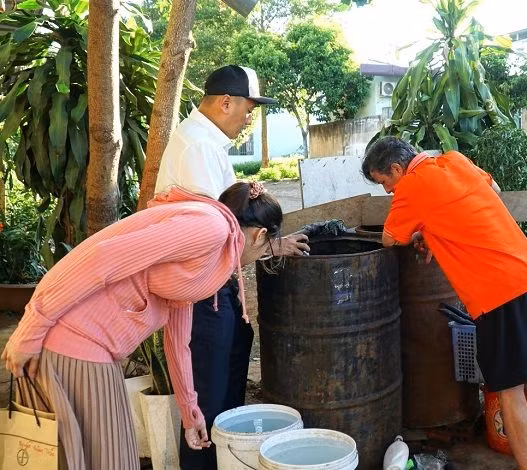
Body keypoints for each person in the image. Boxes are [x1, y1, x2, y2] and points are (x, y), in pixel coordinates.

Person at [2, 182, 284, 470]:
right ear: (260, 235)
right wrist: (30, 331)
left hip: (91, 348)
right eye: (266, 249)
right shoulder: (211, 228)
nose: (259, 257)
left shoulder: (214, 253)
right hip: (77, 343)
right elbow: (101, 257)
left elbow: (178, 339)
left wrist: (190, 412)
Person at [361, 137, 527, 470]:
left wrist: (422, 231)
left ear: (397, 169)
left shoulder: (410, 186)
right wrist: (437, 229)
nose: (387, 191)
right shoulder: (454, 160)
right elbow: (493, 191)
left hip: (499, 292)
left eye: (385, 182)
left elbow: (391, 238)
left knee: (510, 391)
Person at [154, 64, 309, 469]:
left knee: (227, 395)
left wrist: (273, 243)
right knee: (208, 400)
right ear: (226, 102)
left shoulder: (208, 145)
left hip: (222, 290)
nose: (248, 119)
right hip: (204, 294)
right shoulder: (196, 149)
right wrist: (271, 246)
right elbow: (220, 235)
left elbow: (234, 224)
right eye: (247, 110)